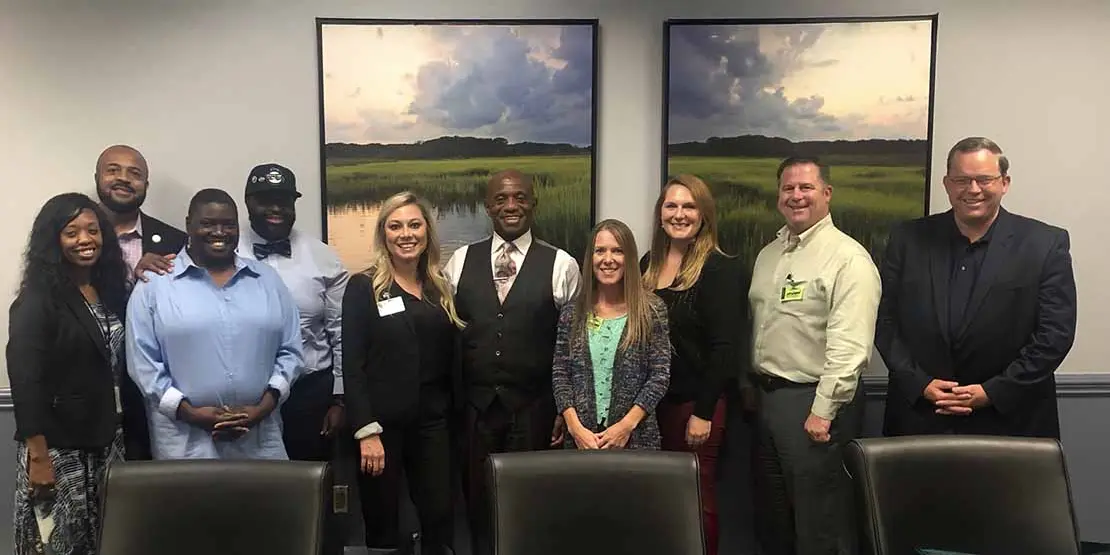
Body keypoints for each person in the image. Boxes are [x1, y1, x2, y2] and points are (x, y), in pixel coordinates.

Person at [877, 137, 1077, 438]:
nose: (973, 190)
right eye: (961, 180)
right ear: (946, 183)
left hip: (1011, 421)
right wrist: (919, 383)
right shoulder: (907, 240)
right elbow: (885, 322)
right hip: (920, 416)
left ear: (1004, 182)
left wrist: (992, 392)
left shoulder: (1045, 244)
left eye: (984, 179)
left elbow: (1055, 335)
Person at [442, 169, 580, 555]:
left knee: (530, 500)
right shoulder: (458, 262)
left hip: (533, 407)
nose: (511, 206)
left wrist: (562, 409)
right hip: (475, 407)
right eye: (501, 199)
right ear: (488, 207)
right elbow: (445, 335)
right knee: (476, 500)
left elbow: (571, 346)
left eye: (520, 197)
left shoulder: (562, 265)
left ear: (533, 204)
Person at [748, 156, 881, 555]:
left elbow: (851, 346)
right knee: (775, 518)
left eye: (806, 187)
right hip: (767, 402)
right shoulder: (769, 254)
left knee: (821, 522)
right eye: (788, 188)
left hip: (815, 404)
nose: (796, 196)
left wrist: (824, 409)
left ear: (827, 193)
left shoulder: (847, 258)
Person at [125, 188, 303, 460]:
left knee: (265, 504)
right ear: (188, 225)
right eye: (207, 224)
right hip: (184, 441)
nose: (219, 232)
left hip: (260, 437)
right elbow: (143, 364)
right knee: (190, 505)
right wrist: (188, 412)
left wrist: (264, 407)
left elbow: (290, 351)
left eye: (228, 224)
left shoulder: (268, 281)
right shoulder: (154, 285)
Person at [7, 193, 131, 555]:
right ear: (53, 240)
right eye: (71, 232)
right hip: (59, 448)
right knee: (58, 544)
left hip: (108, 440)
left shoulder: (108, 292)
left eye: (93, 230)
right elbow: (25, 380)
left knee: (105, 541)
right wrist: (39, 458)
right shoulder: (37, 300)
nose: (85, 240)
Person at [343, 192, 463, 555]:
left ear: (427, 231)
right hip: (381, 429)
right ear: (383, 234)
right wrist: (366, 431)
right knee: (382, 522)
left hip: (433, 425)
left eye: (414, 224)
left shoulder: (439, 286)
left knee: (439, 516)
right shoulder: (364, 287)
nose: (406, 234)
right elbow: (353, 363)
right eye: (395, 226)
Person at [640, 174, 747, 555]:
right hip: (653, 408)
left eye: (689, 206)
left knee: (697, 501)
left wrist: (703, 413)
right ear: (660, 213)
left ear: (704, 215)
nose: (679, 214)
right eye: (671, 206)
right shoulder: (647, 265)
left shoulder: (720, 269)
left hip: (696, 408)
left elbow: (725, 348)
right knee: (662, 500)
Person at [237, 163, 349, 461]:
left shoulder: (323, 257)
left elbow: (341, 333)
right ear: (248, 201)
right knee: (249, 486)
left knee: (311, 484)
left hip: (310, 394)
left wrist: (339, 399)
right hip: (246, 394)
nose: (276, 209)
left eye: (285, 201)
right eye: (265, 200)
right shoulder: (224, 252)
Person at [93, 144, 187, 461]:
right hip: (88, 391)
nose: (123, 179)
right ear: (97, 178)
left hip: (154, 394)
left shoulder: (175, 241)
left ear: (146, 185)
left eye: (135, 174)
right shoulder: (76, 238)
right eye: (113, 170)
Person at [552, 219, 670, 450]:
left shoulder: (652, 311)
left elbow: (659, 376)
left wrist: (625, 426)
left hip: (635, 439)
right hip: (581, 441)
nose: (608, 260)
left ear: (630, 258)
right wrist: (575, 429)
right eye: (600, 251)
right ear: (590, 259)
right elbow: (560, 374)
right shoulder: (572, 313)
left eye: (618, 251)